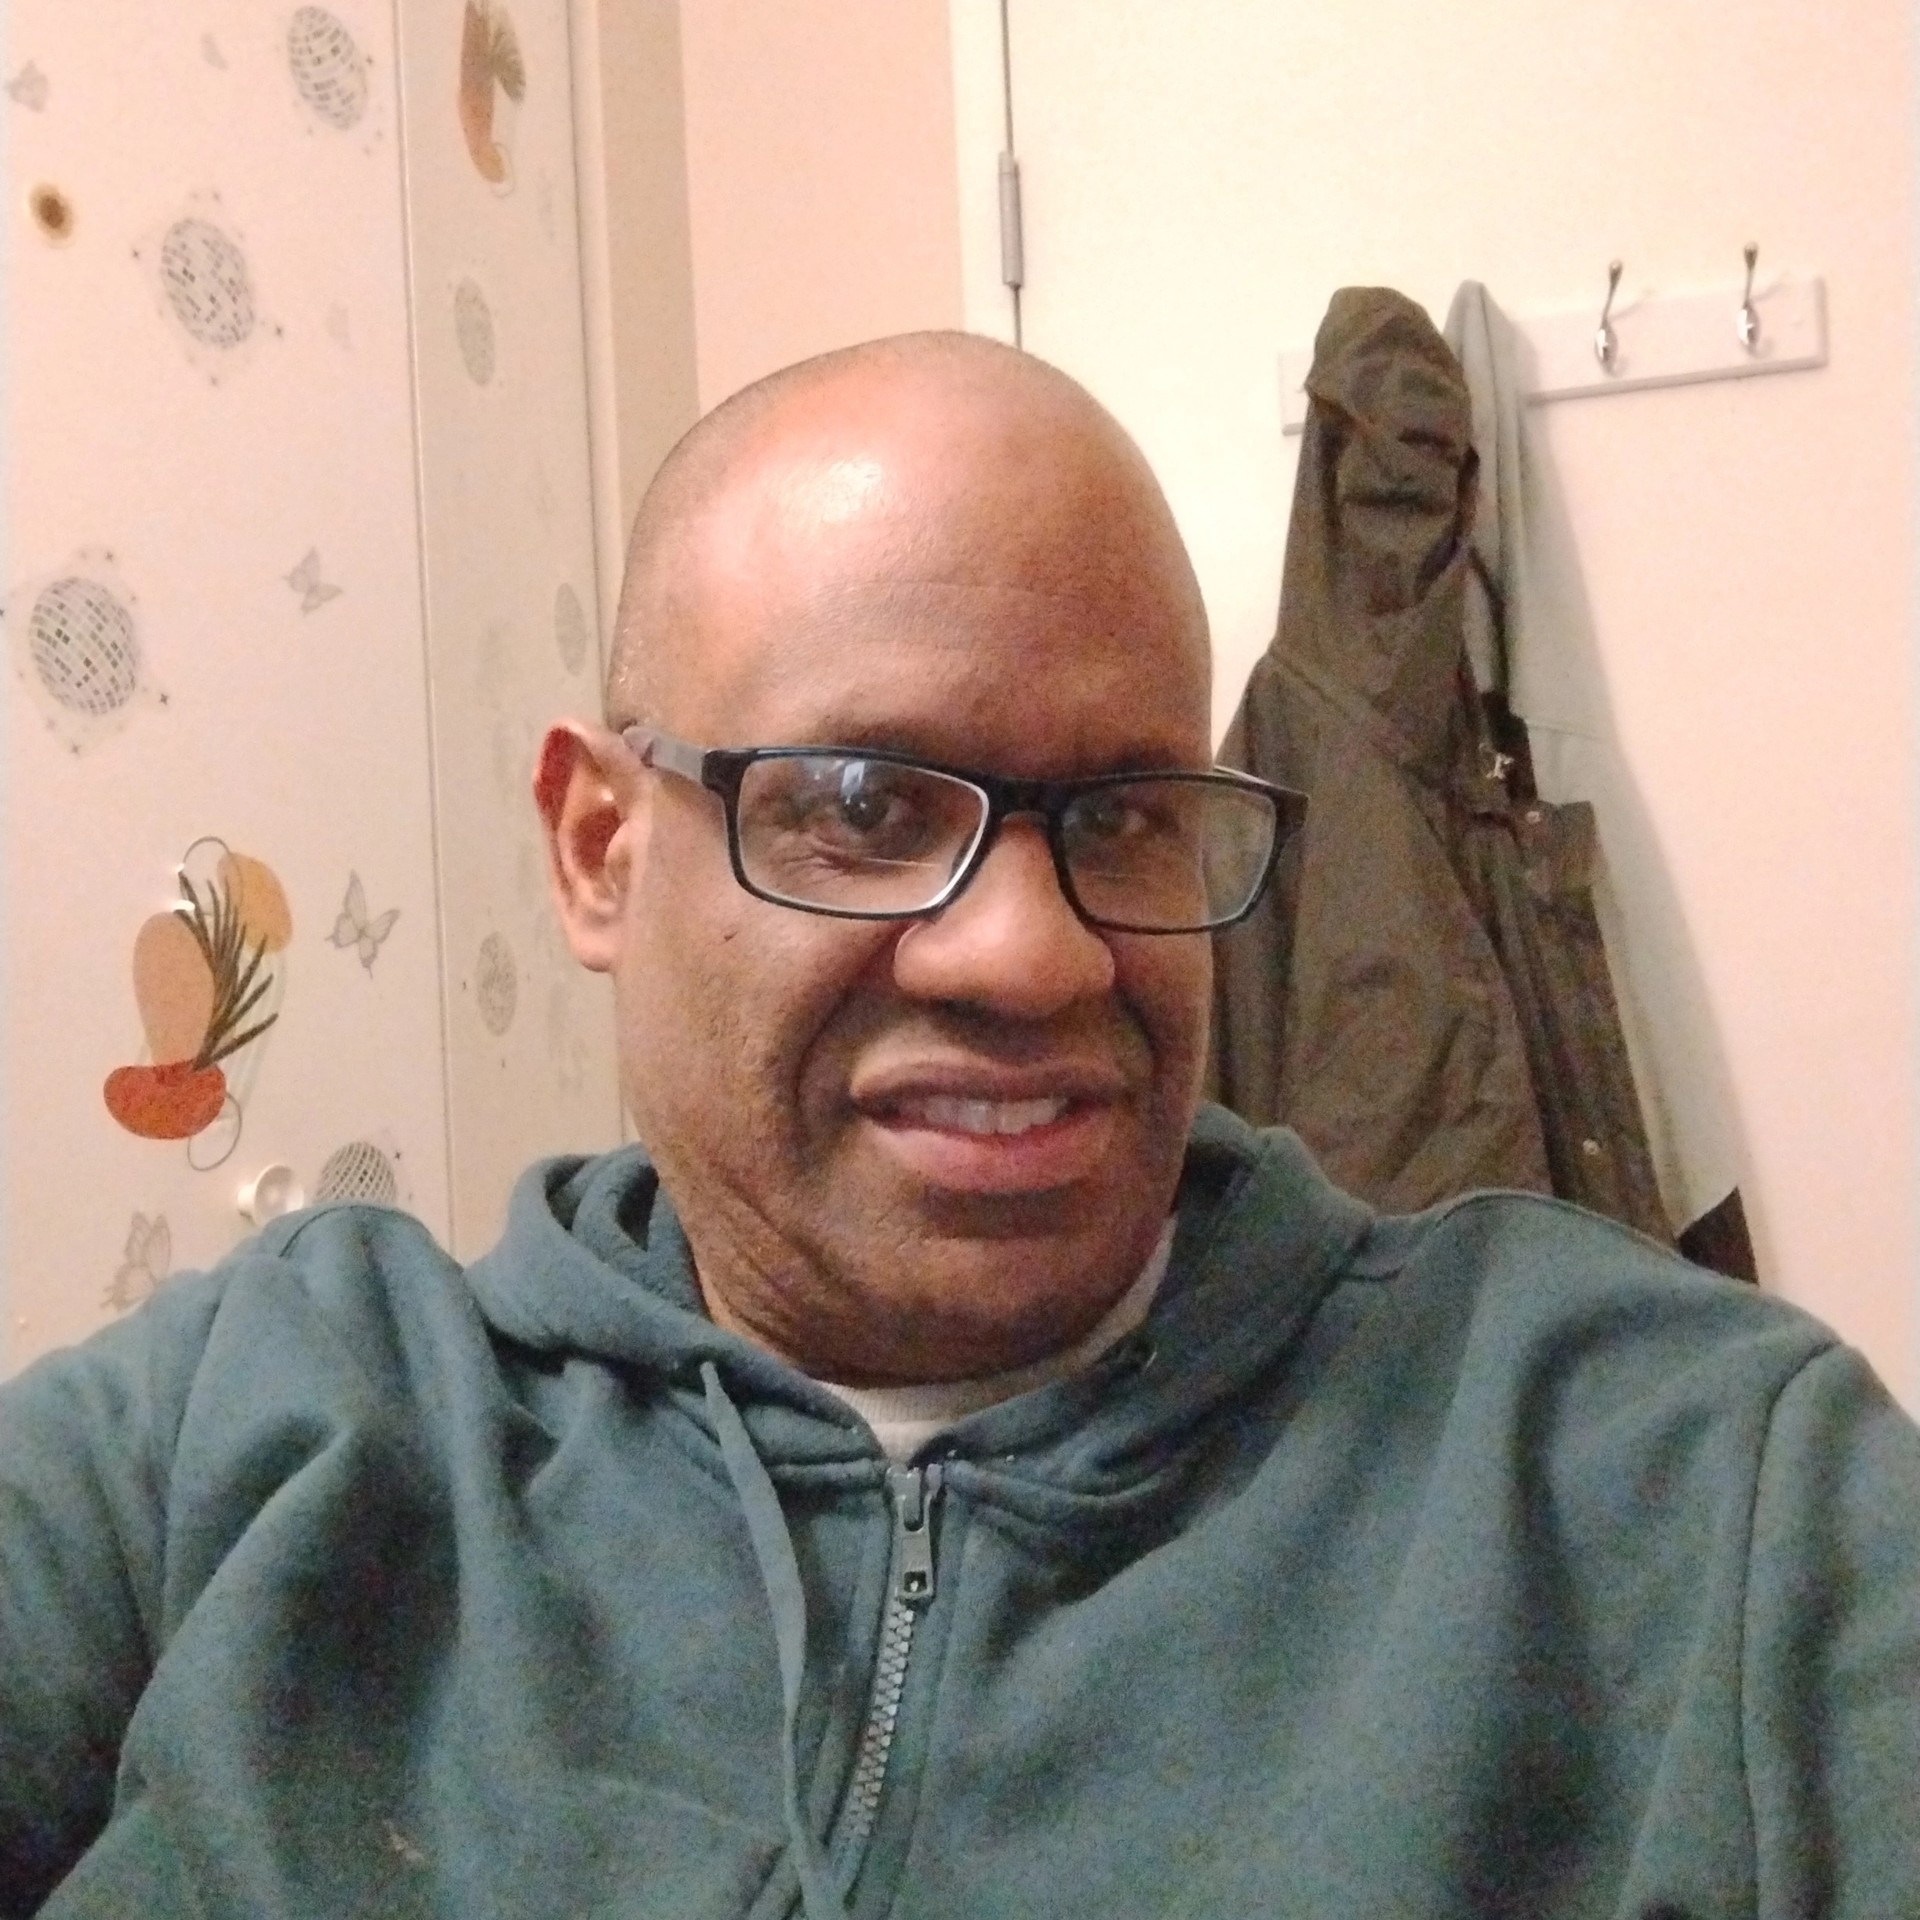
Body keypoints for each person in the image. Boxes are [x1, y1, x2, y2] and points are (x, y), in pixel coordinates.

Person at [1, 332, 1915, 1919]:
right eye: (863, 805)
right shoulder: (232, 1438)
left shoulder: (1693, 1488)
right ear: (599, 848)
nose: (1030, 954)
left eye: (1129, 816)